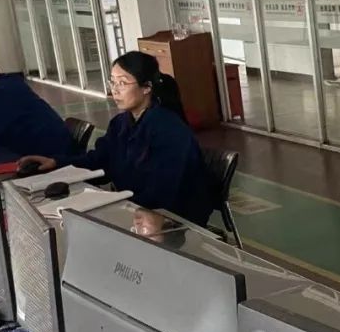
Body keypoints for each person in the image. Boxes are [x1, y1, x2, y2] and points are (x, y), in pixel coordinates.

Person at [18, 51, 215, 227]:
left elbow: (163, 193)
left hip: (171, 221)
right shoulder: (121, 124)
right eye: (112, 82)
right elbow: (99, 161)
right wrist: (56, 162)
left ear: (146, 87)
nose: (115, 90)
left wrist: (116, 208)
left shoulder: (169, 130)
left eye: (122, 83)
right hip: (135, 211)